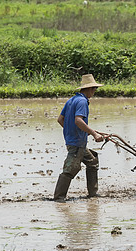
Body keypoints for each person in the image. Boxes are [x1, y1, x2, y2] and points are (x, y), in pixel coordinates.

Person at [53, 74, 104, 202]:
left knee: (92, 162)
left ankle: (93, 193)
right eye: (94, 89)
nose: (94, 92)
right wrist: (93, 133)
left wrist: (76, 131)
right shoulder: (82, 101)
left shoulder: (72, 100)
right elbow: (78, 120)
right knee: (70, 169)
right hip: (76, 143)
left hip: (75, 141)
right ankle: (59, 198)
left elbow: (60, 120)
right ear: (89, 89)